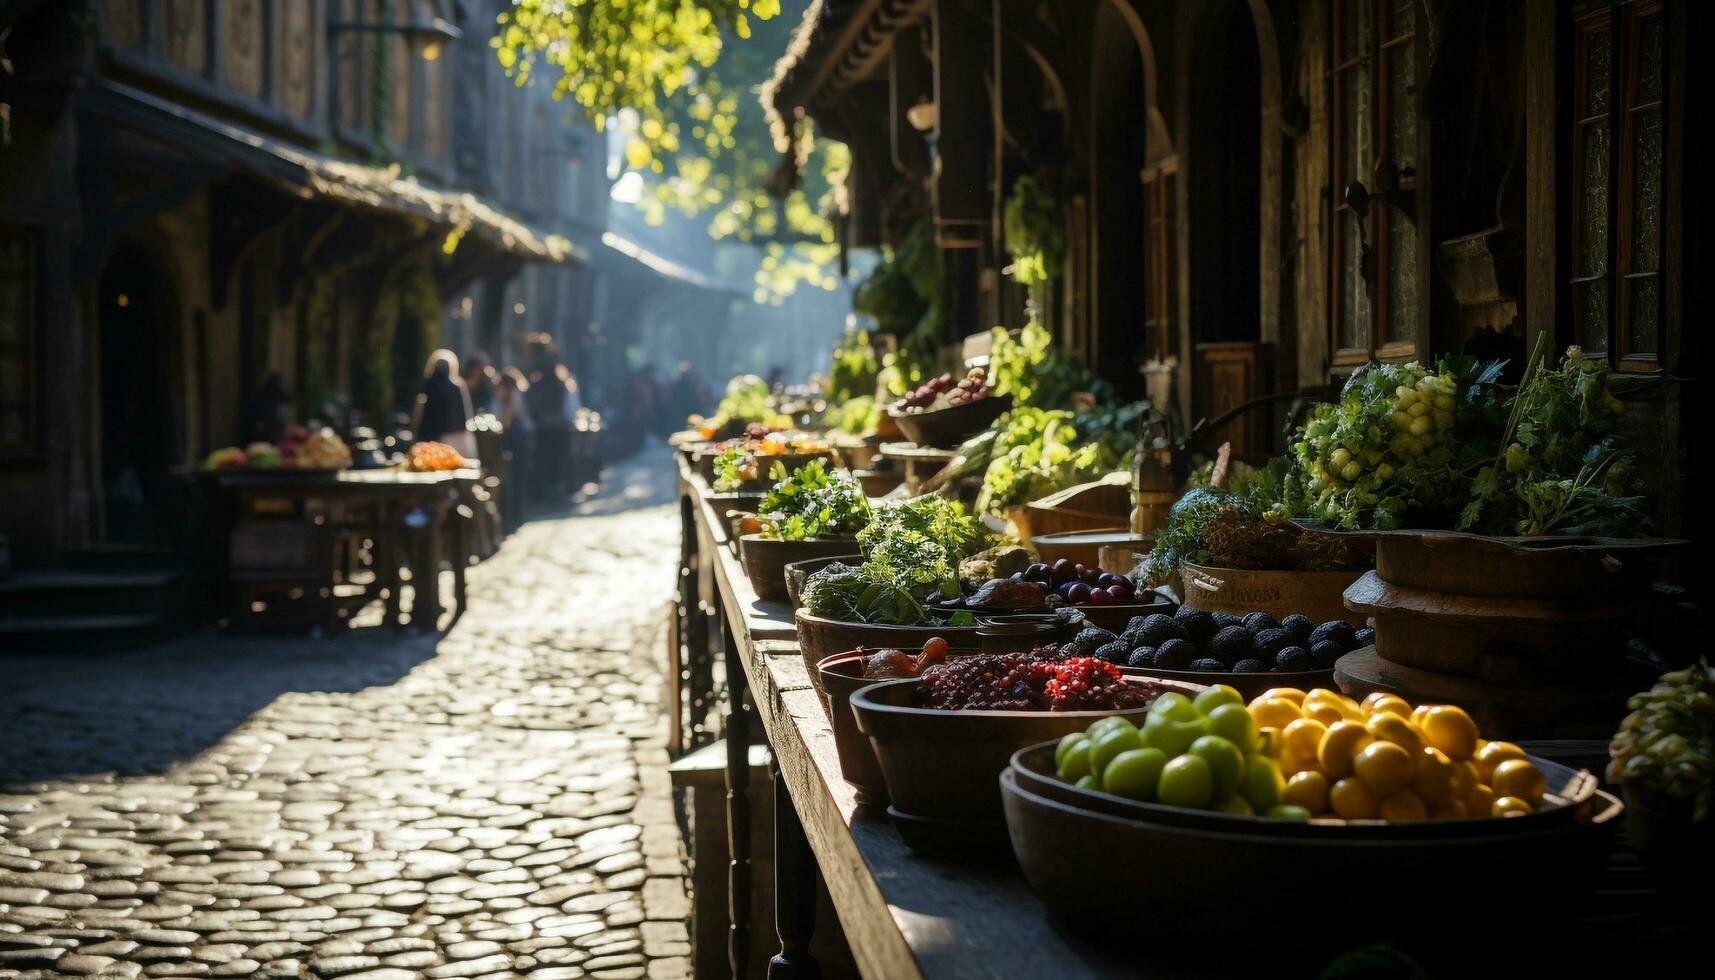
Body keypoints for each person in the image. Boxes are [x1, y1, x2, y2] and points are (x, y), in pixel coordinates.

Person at [412, 349, 476, 458]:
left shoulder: (429, 384)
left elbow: (423, 414)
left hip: (436, 437)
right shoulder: (457, 386)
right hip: (457, 437)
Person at [495, 367, 534, 529]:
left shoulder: (515, 397)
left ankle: (516, 511)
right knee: (515, 476)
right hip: (518, 439)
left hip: (517, 439)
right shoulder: (511, 397)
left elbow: (508, 420)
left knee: (516, 475)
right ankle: (515, 511)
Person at [463, 351, 498, 416]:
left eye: (479, 368)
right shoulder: (462, 385)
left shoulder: (485, 386)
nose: (476, 371)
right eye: (475, 368)